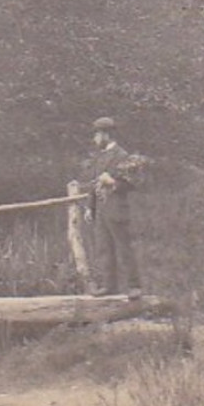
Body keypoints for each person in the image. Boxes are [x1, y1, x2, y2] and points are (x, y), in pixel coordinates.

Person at [77, 116, 144, 298]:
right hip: (101, 210)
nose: (95, 140)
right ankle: (109, 286)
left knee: (124, 247)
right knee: (104, 249)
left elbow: (133, 184)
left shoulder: (122, 156)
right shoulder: (99, 157)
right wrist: (90, 208)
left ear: (106, 134)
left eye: (97, 135)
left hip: (116, 208)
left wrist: (112, 181)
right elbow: (93, 184)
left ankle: (134, 287)